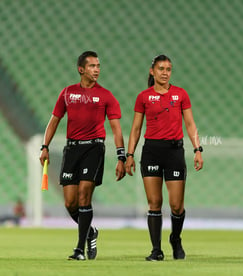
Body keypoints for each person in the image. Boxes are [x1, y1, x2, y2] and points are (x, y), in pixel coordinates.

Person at [39, 51, 126, 260]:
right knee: (70, 202)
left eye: (98, 66)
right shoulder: (67, 93)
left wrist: (121, 156)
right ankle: (91, 232)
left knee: (84, 195)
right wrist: (44, 146)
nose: (97, 69)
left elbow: (116, 129)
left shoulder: (106, 96)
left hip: (94, 149)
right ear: (81, 69)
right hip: (72, 149)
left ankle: (79, 249)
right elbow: (54, 121)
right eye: (92, 66)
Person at [125, 54, 203, 261]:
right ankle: (156, 250)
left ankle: (175, 239)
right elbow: (135, 128)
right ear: (152, 71)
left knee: (176, 205)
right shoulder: (143, 97)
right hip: (151, 151)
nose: (165, 73)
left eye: (168, 69)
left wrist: (198, 149)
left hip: (174, 152)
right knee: (154, 202)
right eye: (161, 69)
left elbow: (190, 124)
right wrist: (129, 154)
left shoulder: (180, 95)